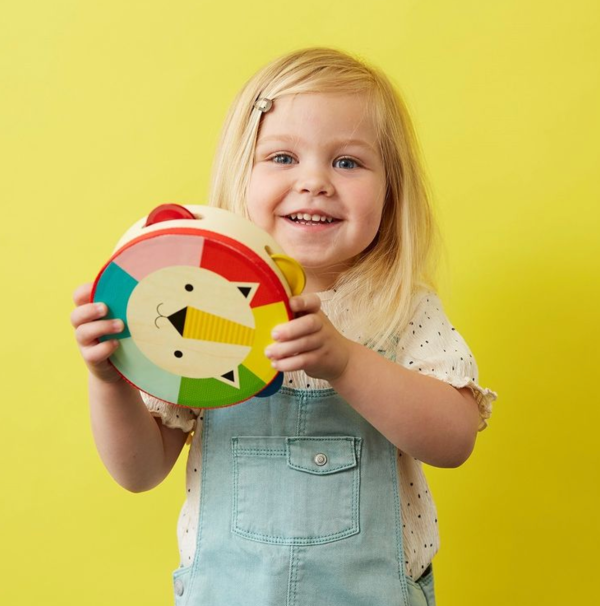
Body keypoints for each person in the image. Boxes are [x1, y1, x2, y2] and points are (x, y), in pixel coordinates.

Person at [71, 47, 497, 606]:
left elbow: (454, 440)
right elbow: (140, 471)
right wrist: (109, 382)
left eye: (347, 162)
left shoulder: (401, 309)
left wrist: (346, 362)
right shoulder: (200, 308)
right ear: (240, 174)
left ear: (391, 191)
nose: (315, 182)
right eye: (281, 157)